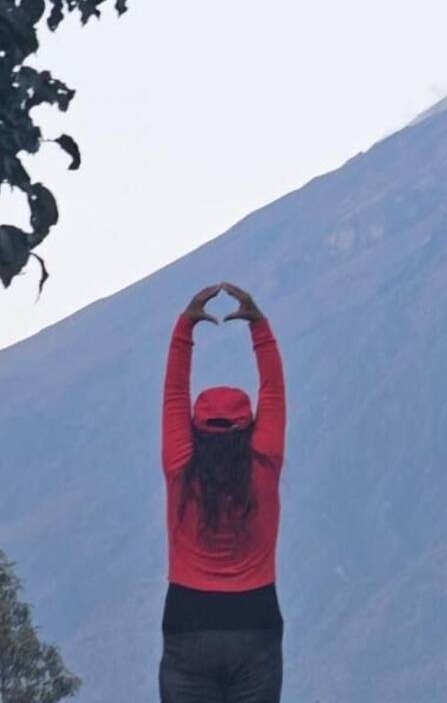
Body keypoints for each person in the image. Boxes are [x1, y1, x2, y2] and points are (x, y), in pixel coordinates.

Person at [159, 282, 287, 703]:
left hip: (187, 619)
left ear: (195, 426)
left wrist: (185, 329)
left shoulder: (180, 465)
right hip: (255, 619)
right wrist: (260, 328)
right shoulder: (263, 463)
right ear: (248, 425)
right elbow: (274, 392)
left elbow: (174, 395)